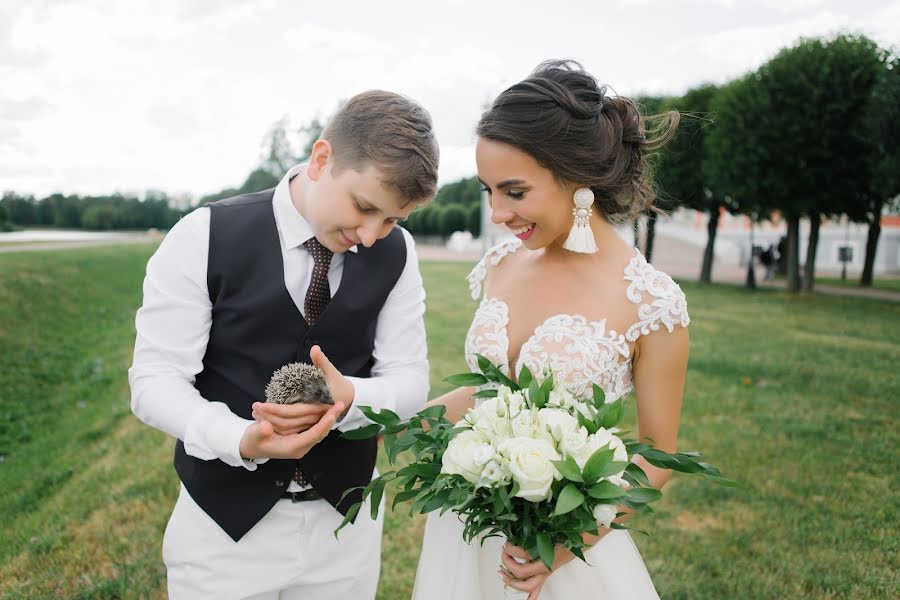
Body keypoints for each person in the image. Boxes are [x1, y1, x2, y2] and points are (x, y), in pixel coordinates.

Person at [128, 90, 438, 599]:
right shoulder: (203, 235)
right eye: (364, 207)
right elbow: (154, 380)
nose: (370, 234)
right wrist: (238, 437)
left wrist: (353, 399)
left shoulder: (396, 255)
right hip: (221, 534)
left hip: (346, 533)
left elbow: (409, 379)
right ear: (321, 159)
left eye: (392, 220)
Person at [412, 60, 689, 600]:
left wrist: (562, 545)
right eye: (488, 190)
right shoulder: (499, 266)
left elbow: (657, 455)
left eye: (514, 192)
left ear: (577, 177)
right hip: (468, 530)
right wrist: (387, 423)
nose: (496, 212)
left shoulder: (651, 302)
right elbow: (486, 395)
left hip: (568, 554)